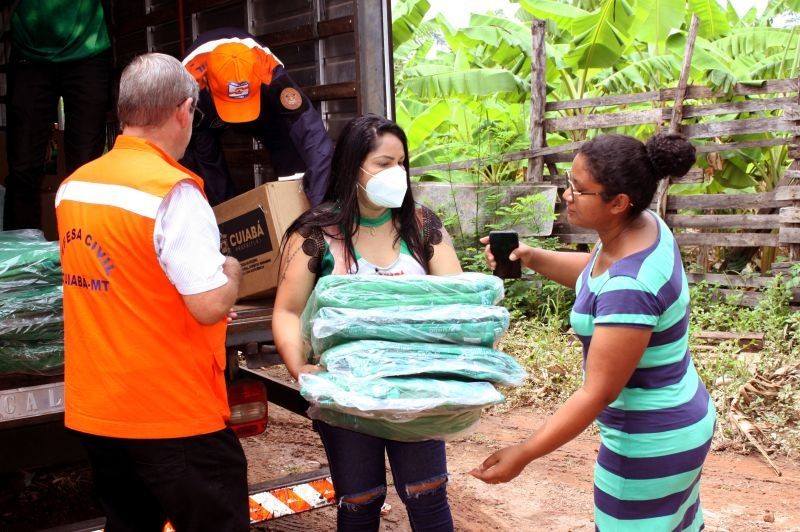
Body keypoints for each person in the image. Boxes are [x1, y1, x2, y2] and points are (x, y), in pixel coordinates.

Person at [471, 132, 716, 531]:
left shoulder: (630, 288)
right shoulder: (643, 228)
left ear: (619, 202)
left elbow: (597, 392)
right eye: (569, 183)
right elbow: (596, 275)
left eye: (579, 190)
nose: (567, 195)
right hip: (677, 417)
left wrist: (524, 452)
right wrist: (533, 257)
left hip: (649, 440)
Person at [55, 53, 248, 532]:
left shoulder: (74, 187)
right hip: (172, 413)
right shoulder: (174, 193)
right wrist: (233, 270)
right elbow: (207, 305)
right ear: (184, 111)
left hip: (100, 410)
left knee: (129, 522)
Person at [272, 114, 462, 531]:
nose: (397, 173)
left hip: (415, 391)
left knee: (428, 498)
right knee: (360, 502)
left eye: (402, 162)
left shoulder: (421, 226)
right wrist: (299, 369)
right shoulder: (317, 233)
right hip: (345, 395)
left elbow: (458, 303)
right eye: (383, 163)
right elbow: (287, 311)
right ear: (352, 166)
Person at [181, 27, 333, 207]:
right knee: (203, 165)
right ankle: (226, 222)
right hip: (207, 115)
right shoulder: (187, 83)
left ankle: (290, 209)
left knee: (290, 148)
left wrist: (321, 207)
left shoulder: (269, 72)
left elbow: (313, 134)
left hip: (261, 108)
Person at [3, 0, 113, 231]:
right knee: (23, 167)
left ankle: (87, 252)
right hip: (29, 53)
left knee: (86, 167)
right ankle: (22, 262)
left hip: (88, 49)